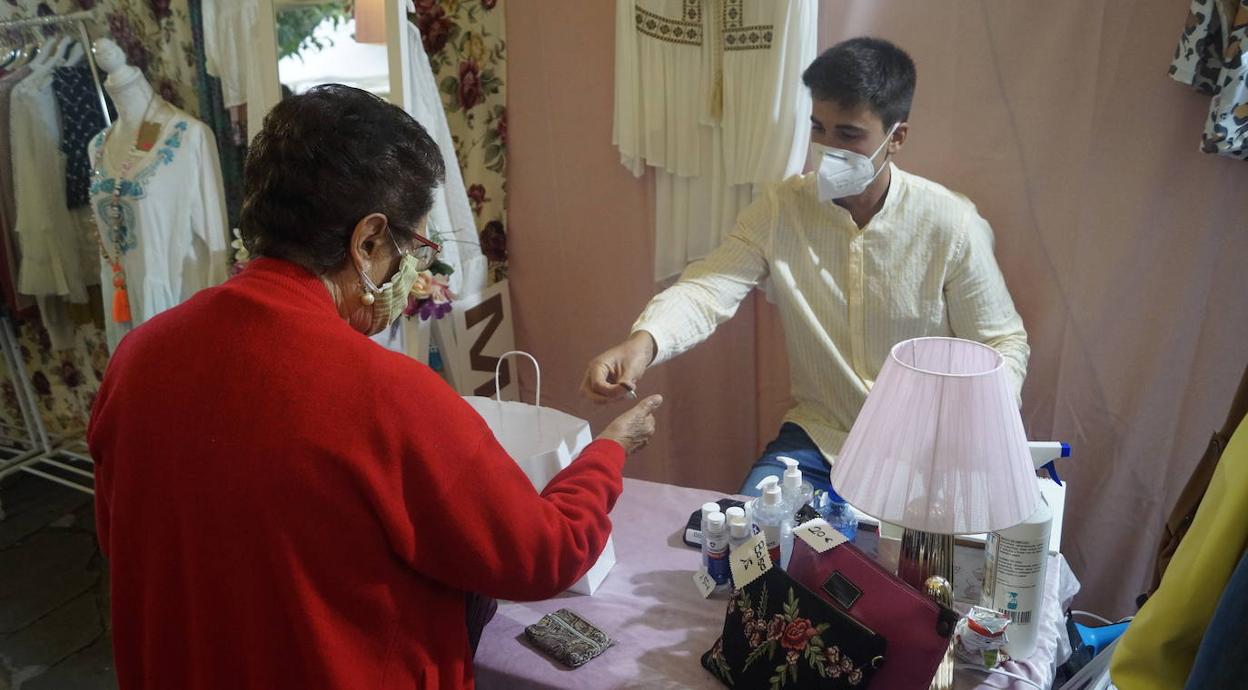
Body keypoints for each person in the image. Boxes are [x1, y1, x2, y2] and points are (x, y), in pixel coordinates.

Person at [88, 84, 663, 690]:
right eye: (412, 248)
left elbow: (124, 540)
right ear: (366, 243)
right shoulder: (387, 397)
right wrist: (610, 449)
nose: (412, 272)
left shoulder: (137, 360)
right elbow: (546, 552)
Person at [582, 37, 1027, 496]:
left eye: (849, 134)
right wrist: (643, 342)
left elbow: (1001, 342)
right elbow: (709, 287)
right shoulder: (783, 209)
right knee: (751, 555)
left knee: (909, 568)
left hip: (925, 453)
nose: (828, 148)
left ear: (897, 137)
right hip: (819, 442)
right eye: (819, 128)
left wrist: (975, 434)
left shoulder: (951, 225)